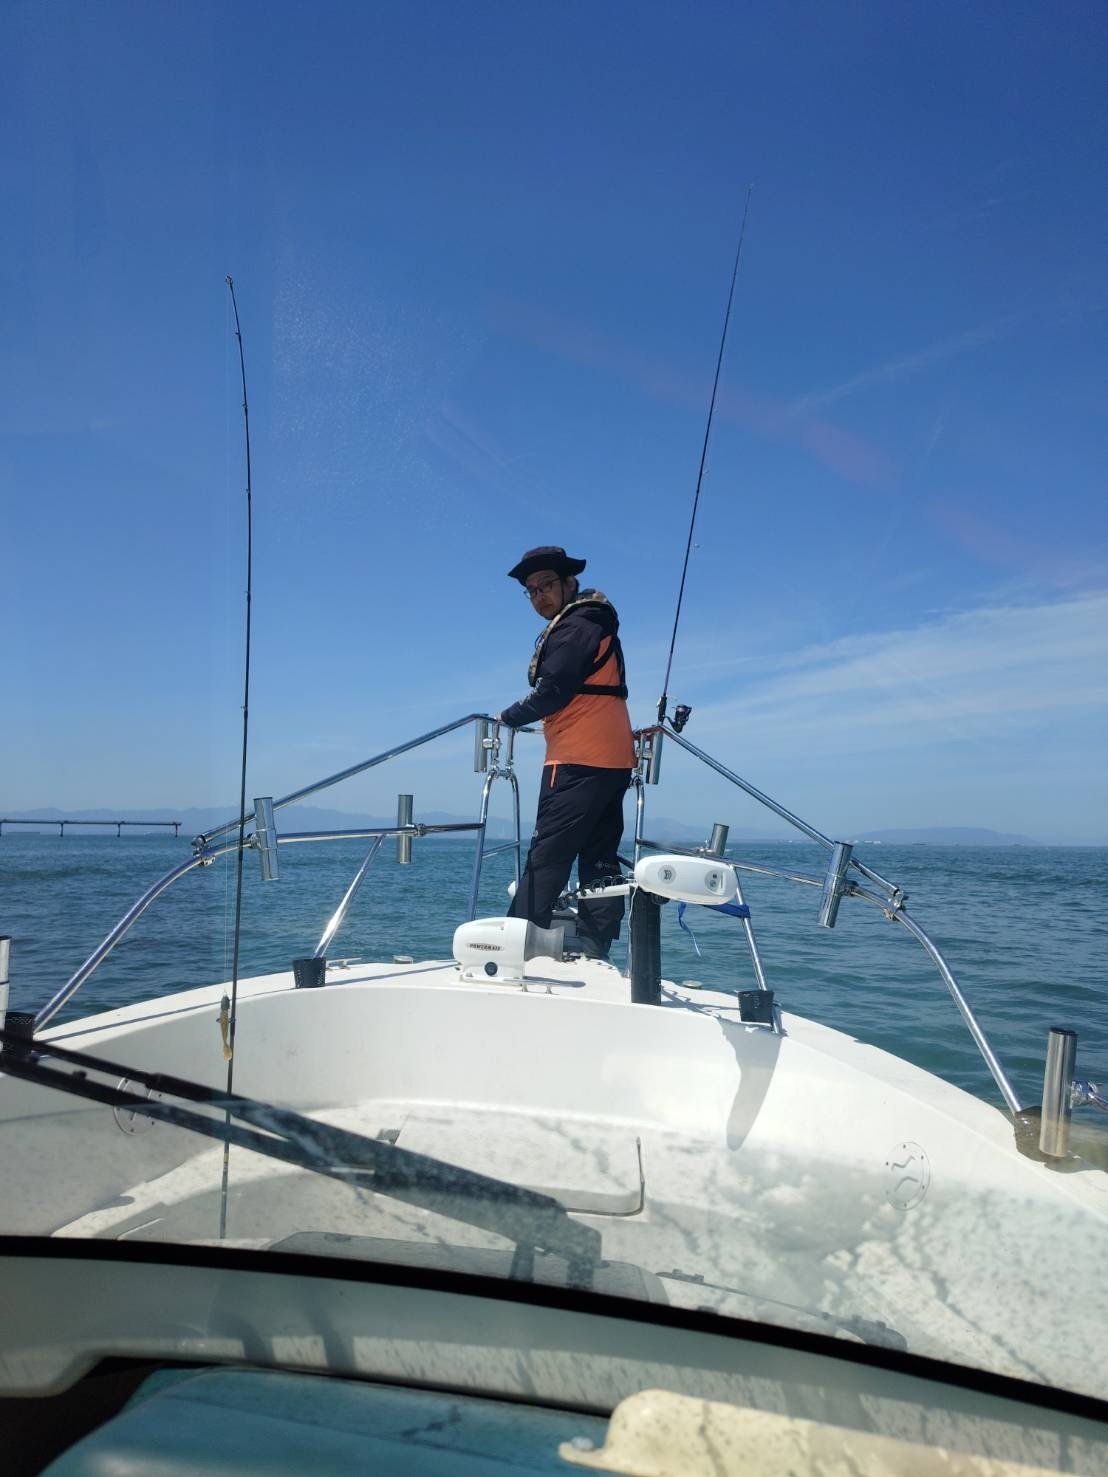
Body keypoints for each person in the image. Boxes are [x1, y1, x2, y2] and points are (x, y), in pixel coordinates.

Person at [497, 546, 635, 960]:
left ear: (569, 583)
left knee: (548, 855)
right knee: (599, 857)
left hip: (577, 759)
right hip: (614, 759)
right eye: (532, 590)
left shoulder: (575, 626)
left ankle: (514, 946)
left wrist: (508, 716)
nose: (539, 596)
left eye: (546, 585)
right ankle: (596, 946)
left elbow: (553, 691)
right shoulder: (596, 620)